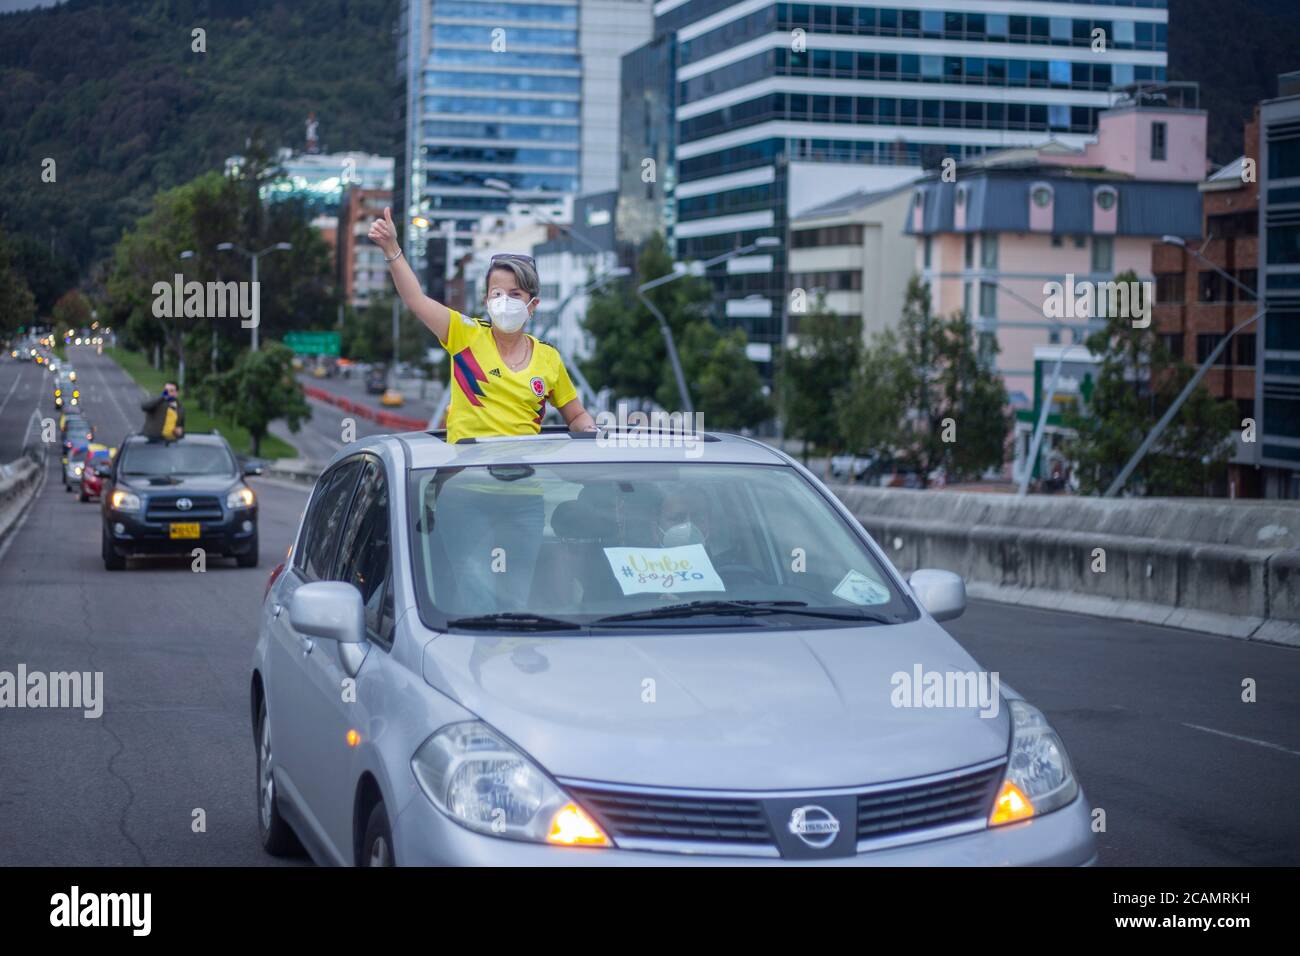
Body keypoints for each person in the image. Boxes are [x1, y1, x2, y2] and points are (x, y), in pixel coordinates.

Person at [367, 206, 596, 444]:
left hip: (525, 476)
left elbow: (577, 415)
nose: (504, 301)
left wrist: (590, 430)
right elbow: (416, 299)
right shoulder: (465, 334)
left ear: (533, 304)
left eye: (515, 294)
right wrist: (391, 248)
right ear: (486, 301)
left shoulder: (549, 358)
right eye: (497, 293)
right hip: (465, 475)